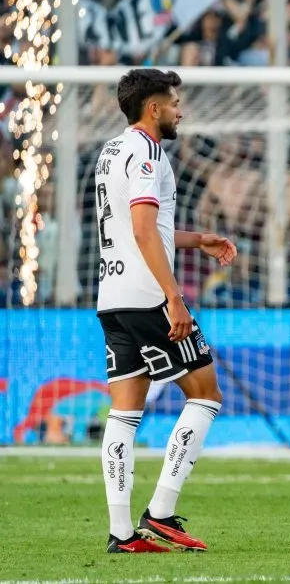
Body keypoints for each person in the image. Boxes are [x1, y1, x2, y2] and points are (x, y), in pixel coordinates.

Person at [95, 69, 237, 554]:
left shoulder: (110, 151)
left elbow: (141, 228)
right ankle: (159, 514)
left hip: (112, 296)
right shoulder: (149, 152)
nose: (181, 111)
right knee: (205, 394)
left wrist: (197, 239)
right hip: (148, 296)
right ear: (153, 108)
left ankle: (121, 534)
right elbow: (140, 230)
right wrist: (173, 296)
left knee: (125, 412)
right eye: (175, 103)